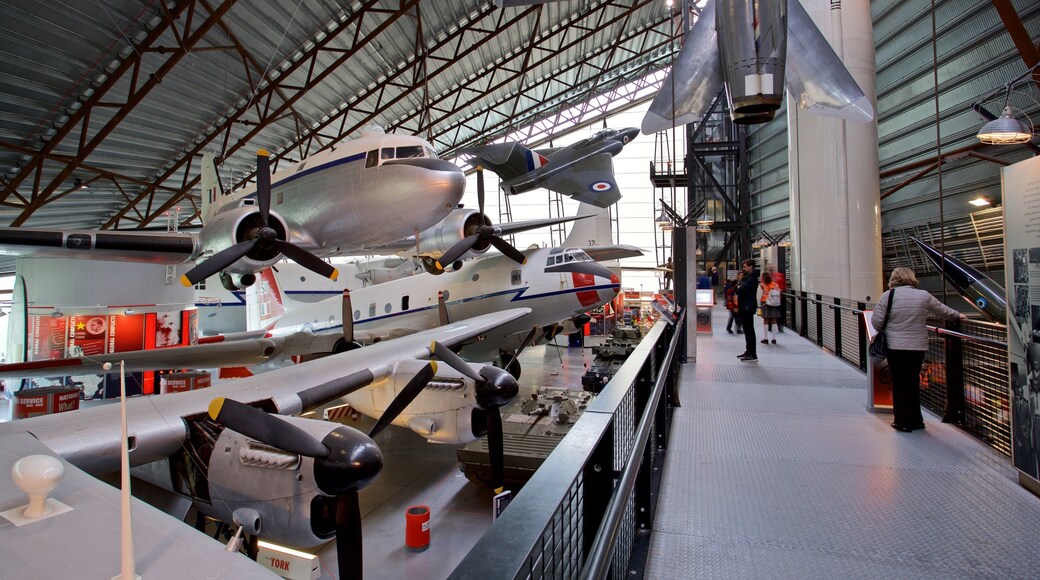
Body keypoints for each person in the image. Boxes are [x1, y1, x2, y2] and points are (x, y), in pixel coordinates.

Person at [871, 267, 965, 432]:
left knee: (900, 383)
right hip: (917, 347)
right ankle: (916, 420)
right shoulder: (923, 295)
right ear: (911, 278)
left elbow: (877, 322)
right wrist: (956, 315)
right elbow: (942, 311)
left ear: (894, 279)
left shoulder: (888, 296)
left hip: (895, 346)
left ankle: (902, 421)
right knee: (913, 381)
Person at [735, 258, 760, 362]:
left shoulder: (751, 278)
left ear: (751, 267)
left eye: (745, 266)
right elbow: (739, 288)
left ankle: (752, 353)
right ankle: (749, 351)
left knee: (749, 330)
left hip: (747, 306)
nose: (743, 268)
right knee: (747, 329)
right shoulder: (749, 277)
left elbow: (740, 289)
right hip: (746, 306)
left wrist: (739, 287)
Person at [758, 271, 782, 344]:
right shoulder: (775, 285)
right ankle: (774, 338)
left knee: (766, 320)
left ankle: (766, 338)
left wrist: (759, 306)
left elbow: (759, 295)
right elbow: (778, 293)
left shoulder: (762, 285)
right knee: (774, 319)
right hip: (774, 303)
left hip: (765, 303)